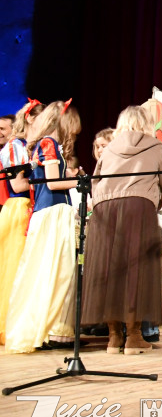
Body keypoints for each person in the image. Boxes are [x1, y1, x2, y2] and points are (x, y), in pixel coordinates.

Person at [80, 105, 162, 354]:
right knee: (136, 272)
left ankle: (114, 338)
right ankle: (134, 337)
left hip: (104, 211)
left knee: (109, 272)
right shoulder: (153, 146)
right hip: (137, 209)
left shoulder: (109, 148)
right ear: (146, 123)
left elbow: (96, 181)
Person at [5, 100, 82, 353]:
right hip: (53, 212)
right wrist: (79, 182)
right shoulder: (49, 144)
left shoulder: (46, 145)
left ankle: (53, 329)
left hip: (49, 211)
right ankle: (50, 329)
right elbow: (52, 184)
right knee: (57, 272)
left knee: (54, 271)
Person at [0, 100, 44, 345]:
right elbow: (17, 185)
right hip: (18, 208)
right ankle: (11, 326)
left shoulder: (23, 146)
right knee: (16, 267)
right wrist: (49, 181)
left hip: (19, 207)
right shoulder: (16, 146)